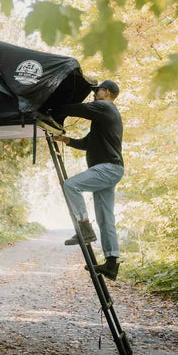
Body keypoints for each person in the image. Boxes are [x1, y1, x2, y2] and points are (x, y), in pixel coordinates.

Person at [52, 80, 124, 280]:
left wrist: (53, 107)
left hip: (107, 168)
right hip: (112, 169)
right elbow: (87, 143)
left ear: (106, 92)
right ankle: (111, 263)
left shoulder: (105, 106)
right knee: (105, 218)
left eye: (97, 91)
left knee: (70, 185)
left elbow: (78, 109)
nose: (94, 95)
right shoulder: (105, 116)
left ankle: (84, 228)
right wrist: (66, 140)